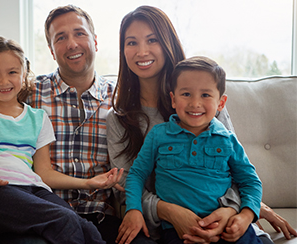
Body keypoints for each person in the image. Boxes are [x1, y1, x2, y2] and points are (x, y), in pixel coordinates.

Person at [107, 5, 297, 244]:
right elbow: (127, 183)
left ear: (168, 43)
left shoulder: (209, 102)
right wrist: (173, 213)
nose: (142, 51)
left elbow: (237, 172)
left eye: (152, 39)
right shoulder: (120, 119)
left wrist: (239, 211)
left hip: (224, 218)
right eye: (131, 42)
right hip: (162, 224)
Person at [0, 5, 125, 244]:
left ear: (95, 41)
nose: (72, 44)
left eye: (79, 33)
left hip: (98, 217)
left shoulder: (120, 98)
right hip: (35, 211)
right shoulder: (27, 93)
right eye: (61, 37)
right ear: (52, 50)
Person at [126, 56, 263, 244]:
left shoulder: (227, 140)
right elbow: (136, 174)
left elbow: (250, 181)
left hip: (226, 226)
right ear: (173, 99)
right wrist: (133, 209)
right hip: (179, 231)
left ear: (221, 103)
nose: (195, 103)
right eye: (186, 94)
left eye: (205, 95)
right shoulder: (158, 135)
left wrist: (246, 216)